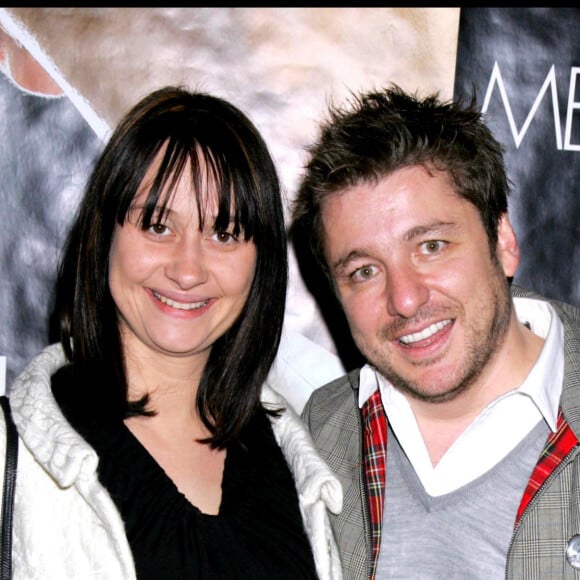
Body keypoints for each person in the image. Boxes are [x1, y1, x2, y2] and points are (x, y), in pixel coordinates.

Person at [0, 85, 343, 579]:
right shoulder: (14, 457)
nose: (188, 269)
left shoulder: (301, 465)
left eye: (223, 233)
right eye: (158, 226)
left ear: (260, 263)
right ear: (106, 238)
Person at [291, 84, 580, 579]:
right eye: (364, 271)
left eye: (431, 246)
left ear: (503, 241)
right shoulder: (318, 436)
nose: (404, 298)